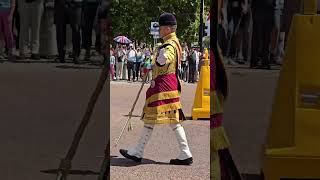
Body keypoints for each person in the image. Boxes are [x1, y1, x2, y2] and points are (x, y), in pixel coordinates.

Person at [119, 12, 193, 165]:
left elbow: (165, 58)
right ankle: (184, 152)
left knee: (155, 118)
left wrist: (159, 57)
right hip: (168, 84)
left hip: (163, 85)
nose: (159, 30)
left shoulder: (169, 44)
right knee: (170, 120)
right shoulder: (174, 42)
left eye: (160, 28)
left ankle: (139, 151)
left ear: (167, 29)